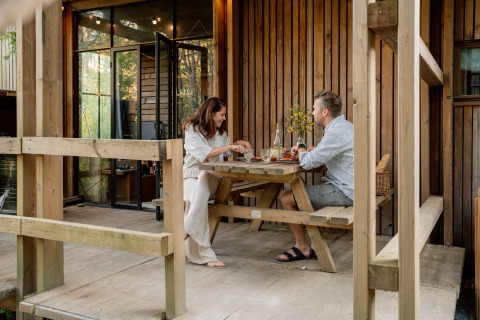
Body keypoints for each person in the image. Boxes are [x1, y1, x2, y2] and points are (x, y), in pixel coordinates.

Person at [276, 90, 354, 262]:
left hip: (347, 191)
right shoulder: (344, 127)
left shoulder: (336, 132)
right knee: (299, 194)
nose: (312, 113)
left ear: (324, 112)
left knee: (287, 198)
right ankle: (311, 244)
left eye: (314, 109)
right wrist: (313, 151)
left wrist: (301, 145)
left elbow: (307, 163)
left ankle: (302, 247)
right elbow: (326, 153)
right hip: (352, 187)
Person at [183, 97, 251, 268]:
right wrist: (229, 147)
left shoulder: (221, 132)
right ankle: (204, 253)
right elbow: (206, 154)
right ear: (210, 114)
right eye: (222, 114)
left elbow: (224, 152)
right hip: (190, 177)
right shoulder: (192, 129)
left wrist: (236, 144)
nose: (224, 118)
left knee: (205, 176)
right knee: (193, 200)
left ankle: (186, 227)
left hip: (212, 177)